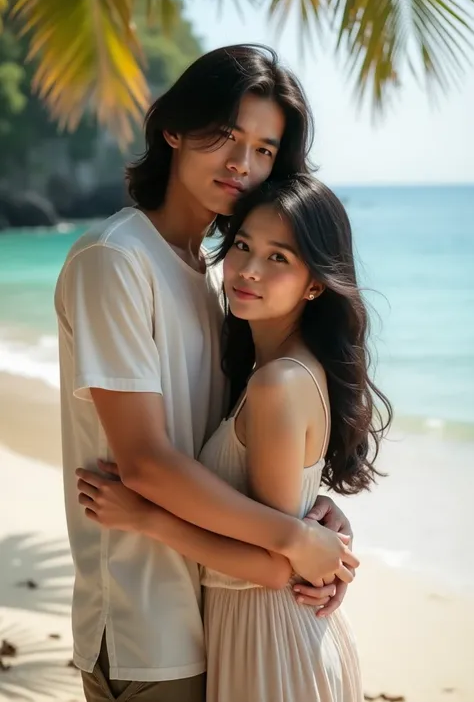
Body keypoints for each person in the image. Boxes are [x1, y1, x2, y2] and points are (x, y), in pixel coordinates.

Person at [57, 44, 358, 702]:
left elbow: (238, 446)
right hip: (150, 624)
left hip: (222, 615)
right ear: (173, 128)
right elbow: (146, 464)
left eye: (264, 149)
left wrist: (319, 518)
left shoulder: (212, 279)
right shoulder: (115, 260)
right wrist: (294, 538)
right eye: (224, 134)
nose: (240, 164)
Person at [77, 174, 392, 701]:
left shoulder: (278, 383)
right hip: (267, 635)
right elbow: (279, 522)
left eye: (278, 258)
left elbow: (272, 566)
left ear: (316, 283)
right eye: (243, 245)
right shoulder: (272, 372)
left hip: (272, 643)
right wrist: (315, 512)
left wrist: (146, 518)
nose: (247, 270)